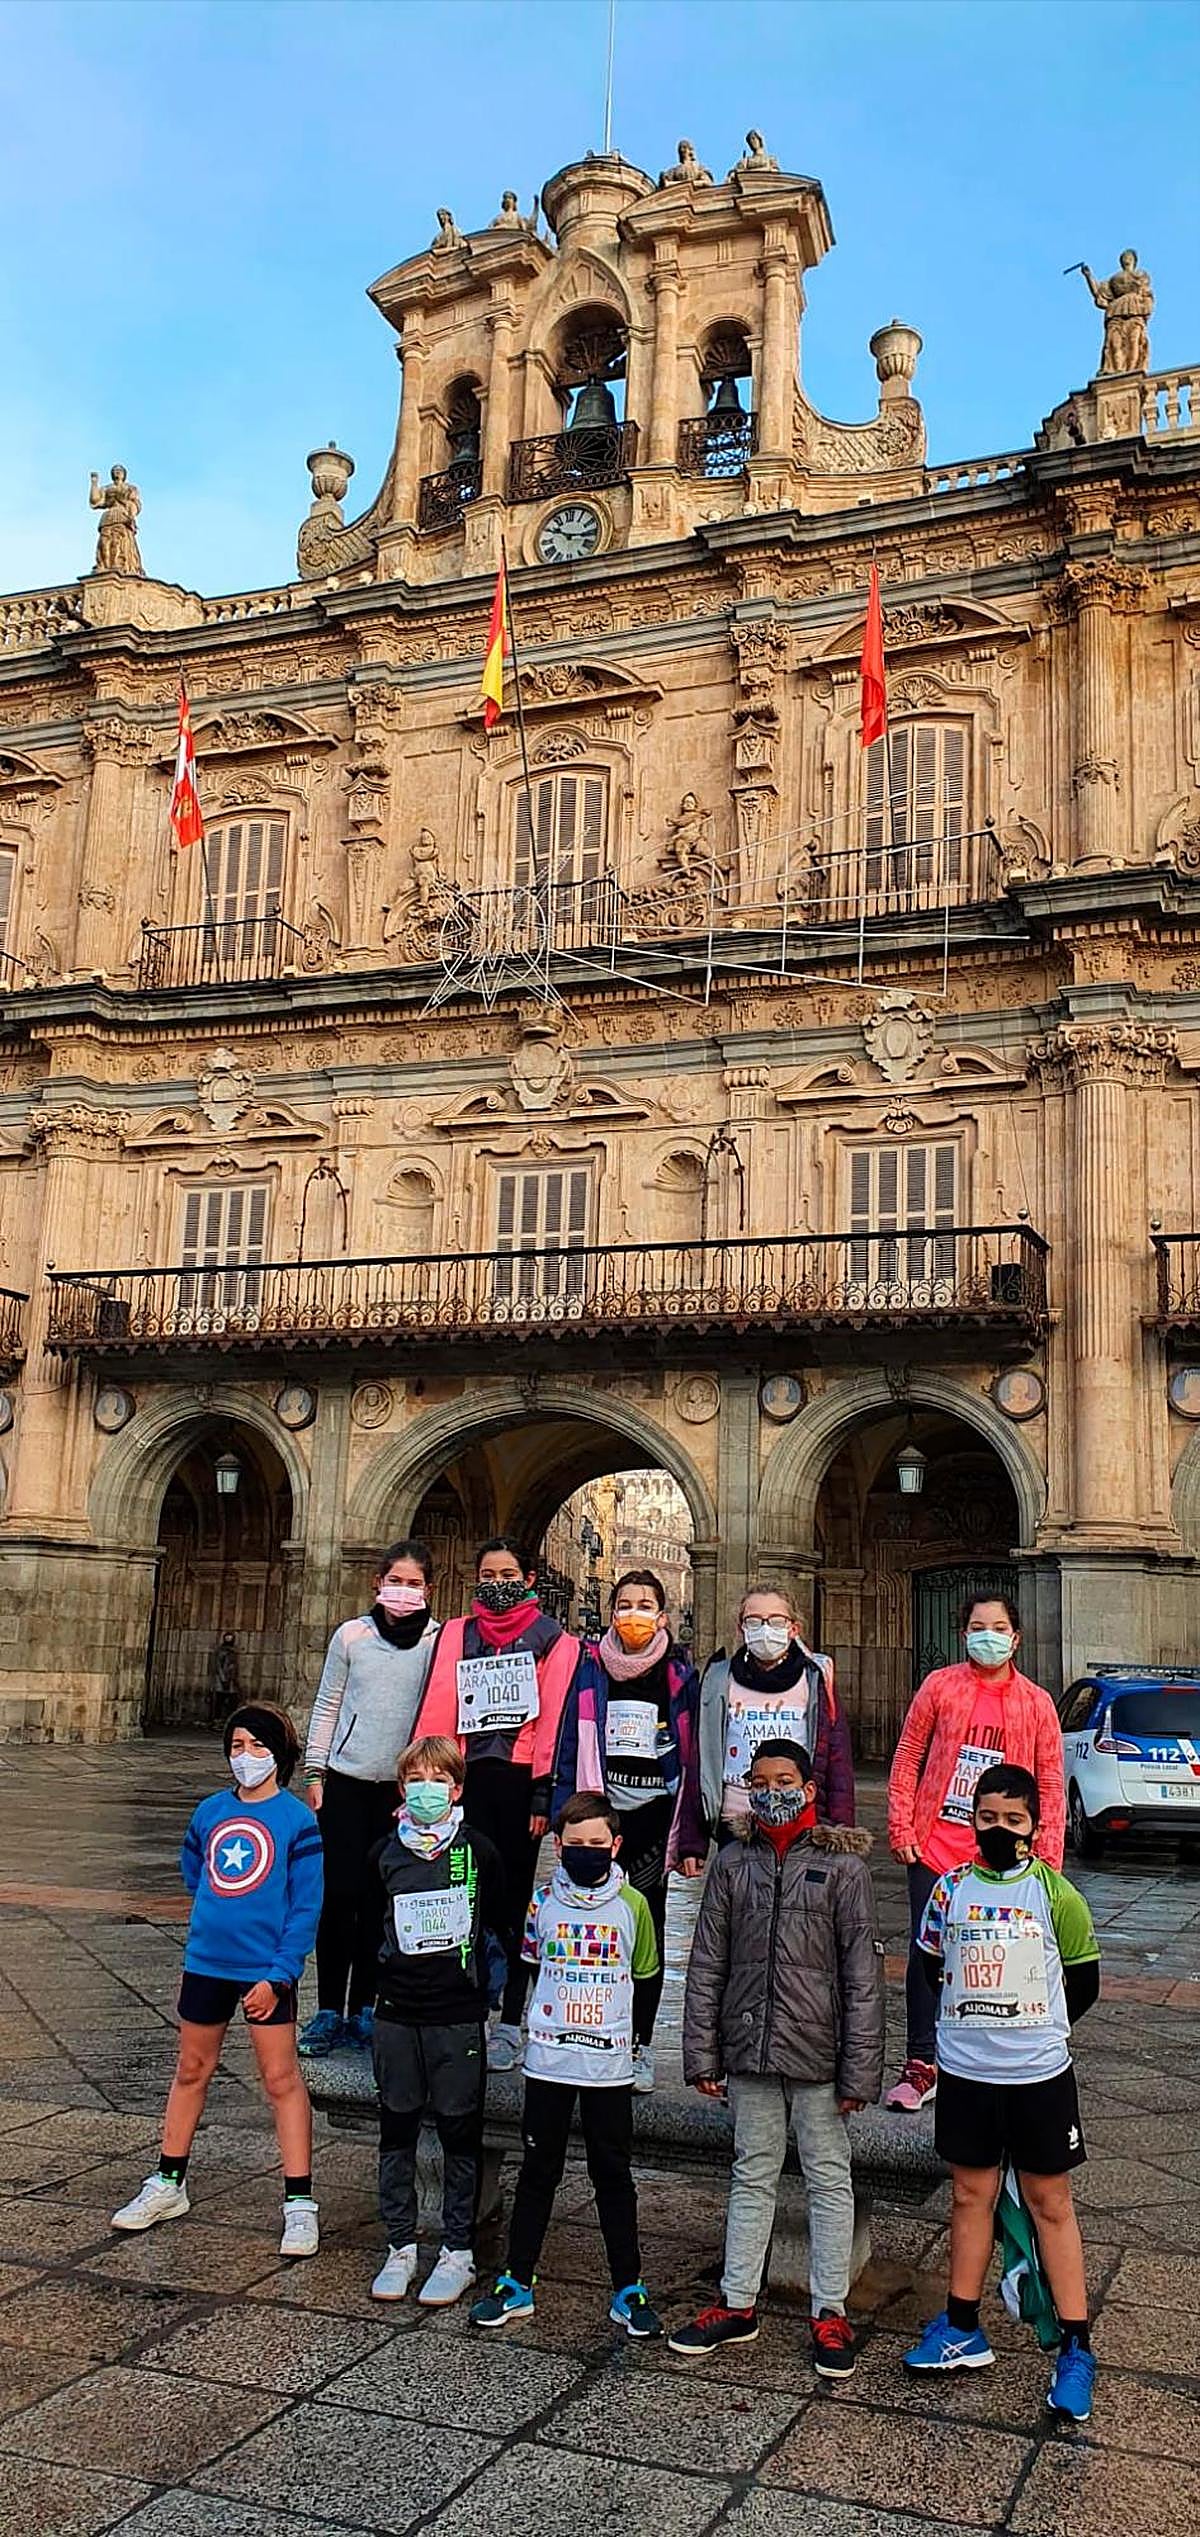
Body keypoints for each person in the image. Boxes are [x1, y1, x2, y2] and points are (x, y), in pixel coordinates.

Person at [670, 1740, 885, 2377]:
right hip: (749, 2046)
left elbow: (862, 1976)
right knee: (751, 2172)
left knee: (827, 2175)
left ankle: (830, 2308)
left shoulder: (842, 1868)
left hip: (820, 2053)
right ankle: (737, 2301)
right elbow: (707, 1964)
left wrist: (860, 2070)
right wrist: (701, 2053)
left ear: (809, 1788)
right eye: (759, 1781)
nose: (772, 1791)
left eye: (785, 1780)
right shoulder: (734, 1861)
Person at [904, 1763, 1100, 2424]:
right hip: (967, 2071)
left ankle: (1076, 2345)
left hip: (1037, 2074)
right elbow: (931, 1966)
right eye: (987, 1817)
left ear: (1035, 1828)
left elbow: (1085, 1978)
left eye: (1013, 1821)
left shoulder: (1055, 1892)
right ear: (970, 1819)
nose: (998, 1829)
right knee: (970, 2195)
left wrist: (1036, 2026)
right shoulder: (949, 1890)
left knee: (1050, 2201)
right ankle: (962, 2324)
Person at [111, 1704, 323, 2257]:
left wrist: (280, 1974)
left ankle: (299, 2202)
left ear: (280, 1753)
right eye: (236, 1746)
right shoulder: (210, 1811)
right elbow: (194, 1869)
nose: (246, 1757)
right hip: (206, 1962)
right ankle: (167, 2181)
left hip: (264, 1972)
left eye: (257, 1746)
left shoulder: (297, 1820)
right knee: (190, 2069)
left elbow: (306, 1906)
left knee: (280, 2078)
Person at [469, 1790, 662, 2339]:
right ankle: (516, 2281)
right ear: (559, 1847)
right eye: (575, 1844)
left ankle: (629, 2286)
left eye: (597, 1844)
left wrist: (638, 2043)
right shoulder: (541, 1903)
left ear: (615, 1845)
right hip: (549, 2060)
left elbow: (647, 1975)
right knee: (537, 2171)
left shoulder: (634, 1906)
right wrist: (511, 2031)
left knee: (613, 2173)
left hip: (607, 2065)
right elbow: (525, 1967)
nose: (586, 1852)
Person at [886, 1593, 1066, 2112]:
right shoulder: (939, 1687)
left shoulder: (1036, 1703)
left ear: (1016, 1638)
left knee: (995, 1958)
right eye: (977, 1625)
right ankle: (921, 2061)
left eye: (999, 1626)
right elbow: (908, 1757)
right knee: (928, 1958)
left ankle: (984, 2058)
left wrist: (1048, 1861)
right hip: (936, 1848)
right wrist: (901, 1827)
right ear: (963, 1633)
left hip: (1005, 1857)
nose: (988, 1634)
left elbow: (1050, 1783)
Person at [414, 1537, 579, 2070]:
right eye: (488, 1574)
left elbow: (552, 1719)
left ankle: (510, 2020)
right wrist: (425, 1780)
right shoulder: (456, 1634)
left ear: (528, 1579)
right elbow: (438, 1704)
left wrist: (542, 1791)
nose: (498, 1583)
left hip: (516, 1784)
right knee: (457, 1895)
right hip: (464, 1779)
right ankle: (461, 2007)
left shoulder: (554, 1639)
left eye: (508, 1574)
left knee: (510, 1904)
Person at [551, 1568, 705, 2092]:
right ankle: (584, 2030)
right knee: (585, 1930)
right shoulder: (590, 1668)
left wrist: (690, 1834)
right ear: (612, 1610)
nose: (634, 1613)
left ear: (662, 1616)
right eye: (625, 1603)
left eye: (645, 1605)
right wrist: (561, 1810)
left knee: (645, 1931)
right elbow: (569, 1737)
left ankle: (637, 2044)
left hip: (653, 1819)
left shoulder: (680, 1675)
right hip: (599, 1812)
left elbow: (695, 1752)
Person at [369, 1734, 508, 2309]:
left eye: (439, 1780)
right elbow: (364, 1923)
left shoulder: (477, 1851)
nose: (427, 1790)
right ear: (403, 1788)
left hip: (456, 2012)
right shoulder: (384, 1852)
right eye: (416, 1780)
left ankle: (458, 2250)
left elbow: (496, 1922)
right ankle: (400, 2244)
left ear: (456, 1788)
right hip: (397, 2010)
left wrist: (490, 1996)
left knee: (459, 2130)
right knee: (396, 2127)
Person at [300, 1539, 440, 2058]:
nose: (403, 1592)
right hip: (346, 1781)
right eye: (395, 1581)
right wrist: (315, 1771)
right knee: (339, 1898)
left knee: (383, 1900)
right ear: (377, 1584)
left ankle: (365, 2006)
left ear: (429, 1590)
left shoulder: (436, 1641)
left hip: (401, 1792)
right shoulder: (351, 1636)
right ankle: (328, 2009)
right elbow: (328, 1703)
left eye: (414, 1583)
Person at [699, 1583, 854, 1845]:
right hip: (736, 1820)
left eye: (776, 1621)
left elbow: (837, 1760)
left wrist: (840, 1829)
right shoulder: (719, 1679)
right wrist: (694, 1841)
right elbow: (703, 1754)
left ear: (794, 1629)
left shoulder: (814, 1678)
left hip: (800, 1818)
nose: (765, 1629)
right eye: (754, 1621)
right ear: (742, 1629)